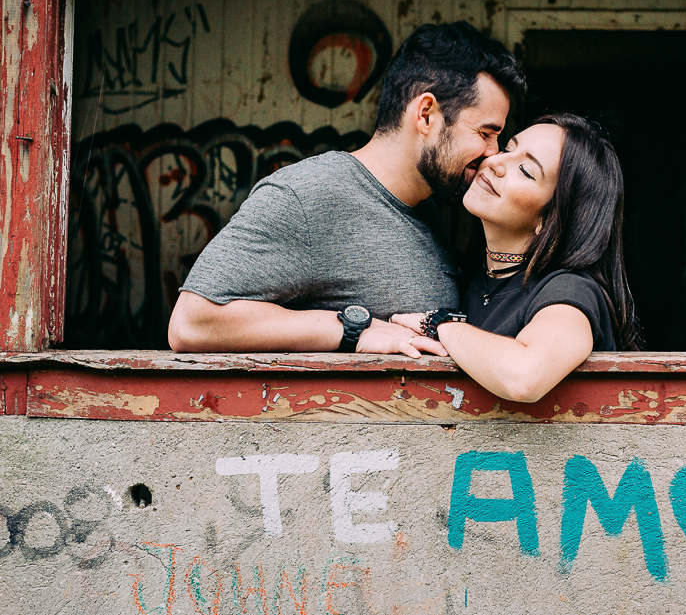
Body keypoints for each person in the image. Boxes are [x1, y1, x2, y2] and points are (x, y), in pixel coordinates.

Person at [168, 21, 526, 355]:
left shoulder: (426, 206)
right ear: (427, 114)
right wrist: (355, 329)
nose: (493, 154)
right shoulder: (309, 195)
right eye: (485, 133)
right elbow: (192, 323)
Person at [391, 113, 641, 402]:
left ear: (550, 219)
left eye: (525, 170)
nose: (496, 162)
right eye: (508, 149)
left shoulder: (570, 291)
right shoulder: (473, 275)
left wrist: (437, 324)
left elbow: (524, 377)